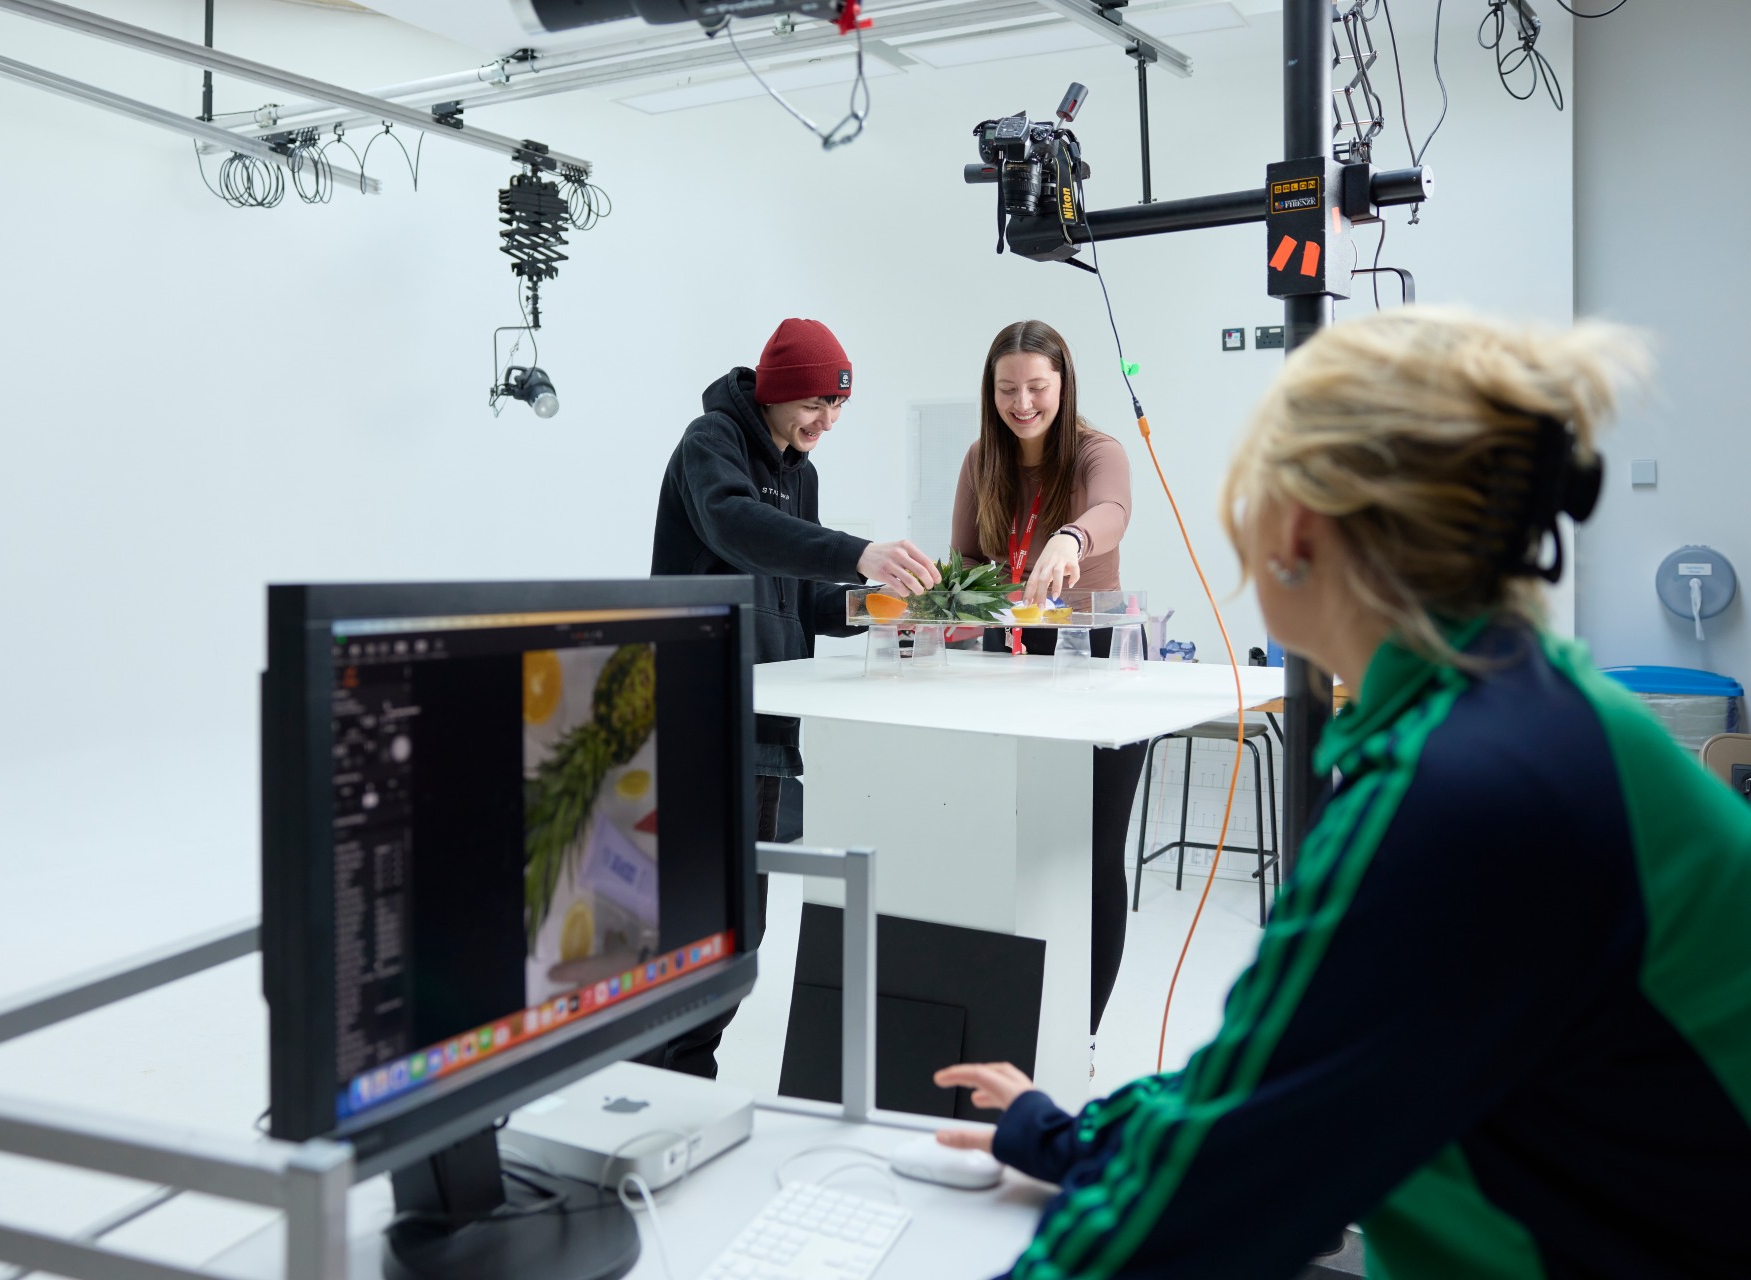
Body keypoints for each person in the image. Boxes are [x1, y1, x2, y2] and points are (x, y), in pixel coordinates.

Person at [934, 308, 1751, 1279]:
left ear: (1295, 526)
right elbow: (1276, 1075)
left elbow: (1210, 1198)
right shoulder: (1527, 719)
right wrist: (1062, 1132)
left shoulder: (1455, 796)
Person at [646, 316, 939, 1078]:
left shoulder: (799, 471)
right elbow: (738, 528)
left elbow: (800, 598)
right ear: (776, 393)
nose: (827, 420)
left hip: (770, 727)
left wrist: (878, 608)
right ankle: (662, 1082)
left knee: (742, 931)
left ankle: (679, 1075)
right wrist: (856, 551)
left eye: (839, 406)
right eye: (815, 402)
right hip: (694, 721)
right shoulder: (709, 444)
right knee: (688, 926)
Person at [950, 319, 1143, 1040]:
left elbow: (1113, 511)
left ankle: (1078, 1037)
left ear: (1063, 384)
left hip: (1097, 668)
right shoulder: (981, 459)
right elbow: (964, 563)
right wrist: (953, 603)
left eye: (1037, 386)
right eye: (1007, 389)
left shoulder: (1099, 451)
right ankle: (1016, 1021)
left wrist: (1072, 537)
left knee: (1091, 859)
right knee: (1014, 849)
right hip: (1010, 668)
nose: (1022, 402)